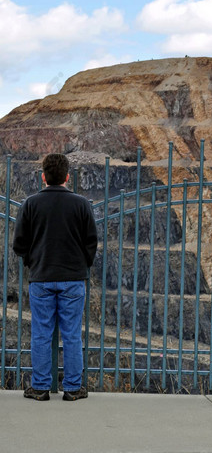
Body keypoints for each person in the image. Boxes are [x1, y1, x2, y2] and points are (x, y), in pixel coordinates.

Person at [13, 153, 98, 401]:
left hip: (41, 278)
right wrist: (81, 264)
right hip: (73, 279)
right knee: (71, 334)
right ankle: (72, 389)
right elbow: (91, 242)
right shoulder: (81, 204)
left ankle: (40, 387)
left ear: (43, 177)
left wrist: (33, 261)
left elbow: (19, 244)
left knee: (41, 333)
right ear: (67, 177)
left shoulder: (30, 204)